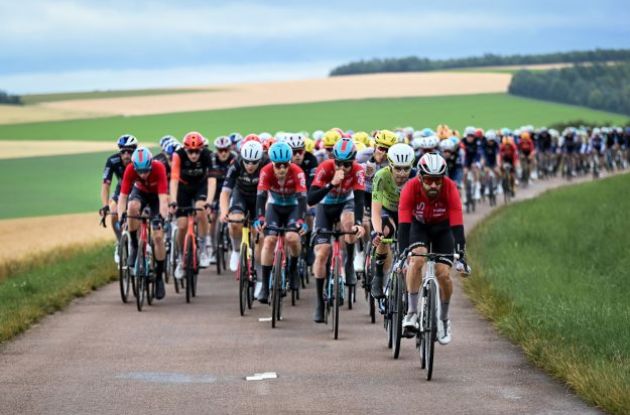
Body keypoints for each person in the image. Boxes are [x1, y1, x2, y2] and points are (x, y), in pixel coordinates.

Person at [398, 153, 470, 345]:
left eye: (437, 180)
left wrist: (461, 255)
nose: (433, 185)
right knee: (417, 260)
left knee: (443, 274)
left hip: (442, 229)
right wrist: (402, 252)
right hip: (418, 227)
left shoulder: (450, 188)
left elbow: (457, 224)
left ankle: (444, 319)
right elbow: (404, 223)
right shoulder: (410, 187)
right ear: (420, 177)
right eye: (429, 180)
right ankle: (412, 313)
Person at [308, 138, 366, 323]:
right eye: (338, 163)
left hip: (345, 205)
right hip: (325, 207)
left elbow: (358, 200)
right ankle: (319, 302)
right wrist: (331, 184)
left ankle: (348, 263)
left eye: (347, 164)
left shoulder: (358, 171)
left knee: (349, 223)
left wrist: (358, 223)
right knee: (322, 253)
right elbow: (311, 199)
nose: (342, 167)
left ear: (354, 161)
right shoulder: (325, 167)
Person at [254, 142, 307, 303]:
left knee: (292, 237)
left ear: (290, 163)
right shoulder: (266, 171)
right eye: (278, 166)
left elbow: (302, 198)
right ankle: (264, 286)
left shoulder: (297, 172)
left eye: (285, 165)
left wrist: (301, 220)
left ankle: (293, 269)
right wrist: (260, 217)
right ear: (272, 164)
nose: (282, 169)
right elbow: (261, 196)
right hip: (274, 207)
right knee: (269, 240)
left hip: (293, 207)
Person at [117, 147, 170, 299]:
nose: (143, 174)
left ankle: (159, 277)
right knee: (132, 208)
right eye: (139, 171)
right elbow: (123, 197)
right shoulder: (130, 170)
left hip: (155, 197)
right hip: (140, 193)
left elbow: (163, 199)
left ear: (151, 164)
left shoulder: (159, 168)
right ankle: (134, 244)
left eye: (146, 170)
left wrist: (161, 217)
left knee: (159, 237)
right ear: (134, 167)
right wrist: (122, 216)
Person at [370, 143, 416, 298]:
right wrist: (377, 233)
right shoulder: (381, 176)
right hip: (387, 210)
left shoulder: (417, 177)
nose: (402, 173)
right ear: (390, 165)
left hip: (409, 213)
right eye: (398, 168)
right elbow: (375, 211)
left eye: (406, 168)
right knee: (384, 232)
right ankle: (378, 276)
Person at [170, 131, 215, 276]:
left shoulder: (208, 155)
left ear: (201, 149)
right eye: (190, 151)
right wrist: (173, 200)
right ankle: (180, 258)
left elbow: (212, 179)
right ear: (185, 149)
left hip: (200, 187)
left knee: (200, 208)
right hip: (183, 188)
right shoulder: (178, 155)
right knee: (182, 225)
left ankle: (202, 246)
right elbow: (174, 179)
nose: (194, 155)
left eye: (197, 151)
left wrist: (209, 201)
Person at [220, 140, 266, 272]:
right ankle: (235, 250)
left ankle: (259, 273)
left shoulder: (267, 163)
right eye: (247, 162)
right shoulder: (236, 164)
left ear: (260, 159)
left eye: (254, 162)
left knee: (259, 234)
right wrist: (224, 212)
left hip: (260, 197)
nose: (250, 166)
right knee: (235, 222)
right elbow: (225, 192)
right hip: (241, 194)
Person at [99, 134, 138, 263]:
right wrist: (105, 205)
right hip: (122, 189)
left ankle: (141, 243)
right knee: (113, 209)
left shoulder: (140, 159)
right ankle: (119, 241)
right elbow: (106, 184)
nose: (126, 155)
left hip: (138, 189)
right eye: (123, 152)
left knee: (140, 213)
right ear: (119, 152)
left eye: (130, 151)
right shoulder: (112, 161)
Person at [207, 136, 238, 263]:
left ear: (230, 149)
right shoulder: (213, 158)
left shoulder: (235, 157)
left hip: (231, 188)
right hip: (217, 188)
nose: (223, 153)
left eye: (226, 150)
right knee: (213, 217)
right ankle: (213, 249)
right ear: (216, 150)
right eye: (220, 150)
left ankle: (233, 246)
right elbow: (211, 181)